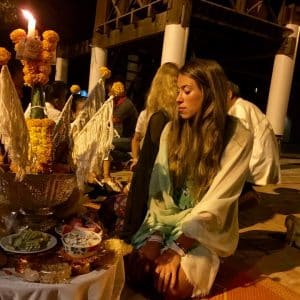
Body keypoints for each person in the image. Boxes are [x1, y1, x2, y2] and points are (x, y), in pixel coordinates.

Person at [125, 58, 253, 299]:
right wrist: (156, 237)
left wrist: (177, 249)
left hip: (204, 229)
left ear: (208, 93)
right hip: (165, 222)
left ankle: (208, 262)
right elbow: (159, 193)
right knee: (136, 271)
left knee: (170, 287)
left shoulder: (237, 137)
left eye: (186, 91)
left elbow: (217, 202)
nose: (178, 98)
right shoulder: (170, 131)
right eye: (177, 91)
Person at [121, 62, 179, 239]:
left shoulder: (158, 117)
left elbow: (152, 156)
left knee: (138, 225)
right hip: (162, 178)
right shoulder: (171, 118)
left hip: (150, 179)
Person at [227, 81, 280, 208]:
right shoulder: (245, 106)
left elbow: (237, 143)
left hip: (256, 161)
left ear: (228, 94)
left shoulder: (239, 109)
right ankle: (245, 193)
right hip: (260, 159)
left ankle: (245, 195)